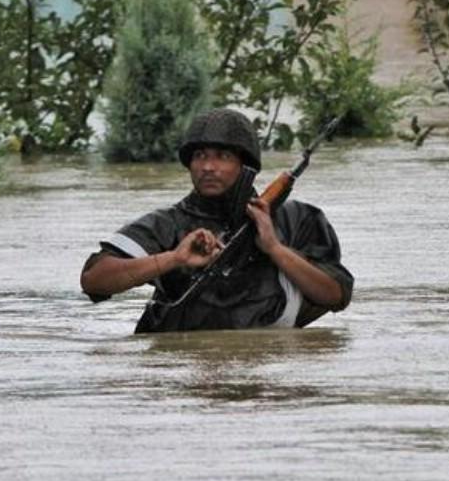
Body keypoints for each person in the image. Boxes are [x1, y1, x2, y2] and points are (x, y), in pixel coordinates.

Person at [80, 108, 353, 333]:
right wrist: (174, 259)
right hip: (184, 368)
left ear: (246, 165)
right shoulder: (168, 223)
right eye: (200, 156)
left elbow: (336, 296)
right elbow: (94, 280)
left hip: (270, 371)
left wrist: (275, 249)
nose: (208, 167)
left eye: (222, 156)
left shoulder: (297, 219)